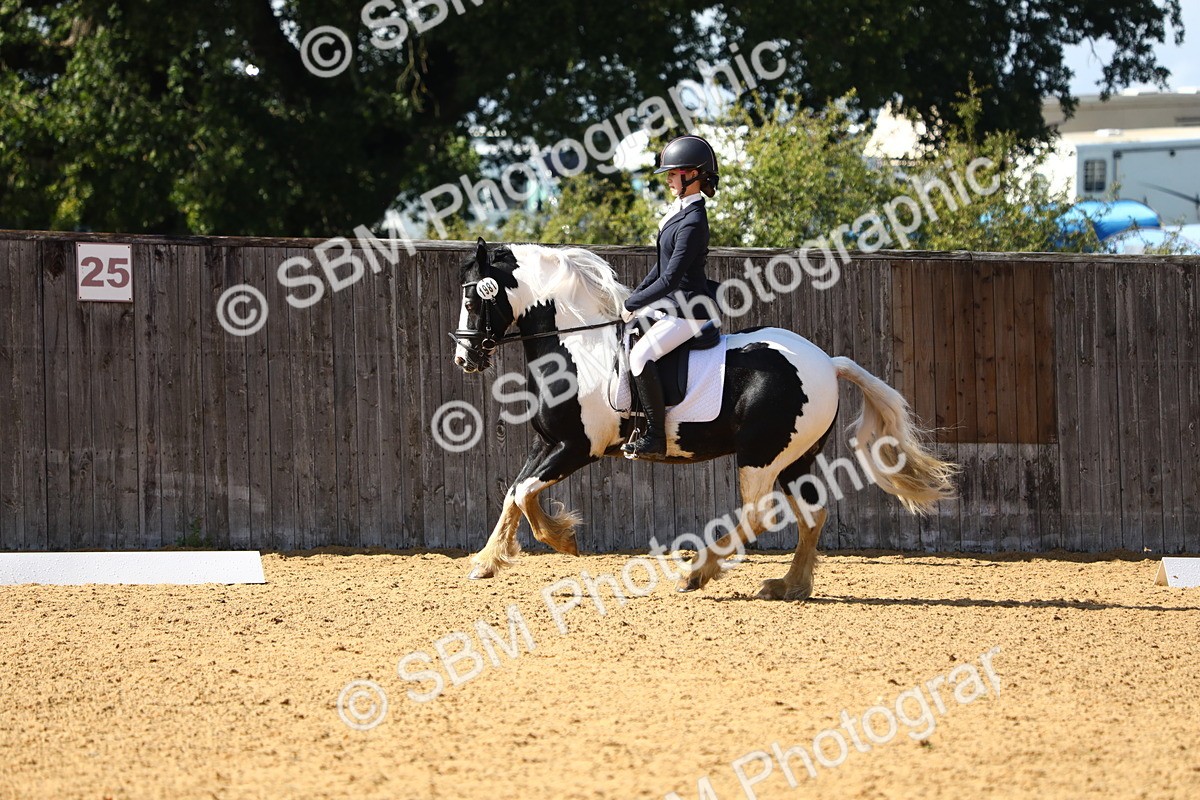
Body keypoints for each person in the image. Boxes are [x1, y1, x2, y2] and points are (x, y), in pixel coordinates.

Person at [620, 134, 720, 458]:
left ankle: (655, 436)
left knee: (640, 357)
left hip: (689, 311)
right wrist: (631, 298)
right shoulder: (678, 211)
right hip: (672, 306)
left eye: (673, 174)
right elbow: (659, 268)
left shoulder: (693, 221)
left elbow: (670, 278)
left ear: (692, 175)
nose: (668, 180)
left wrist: (634, 304)